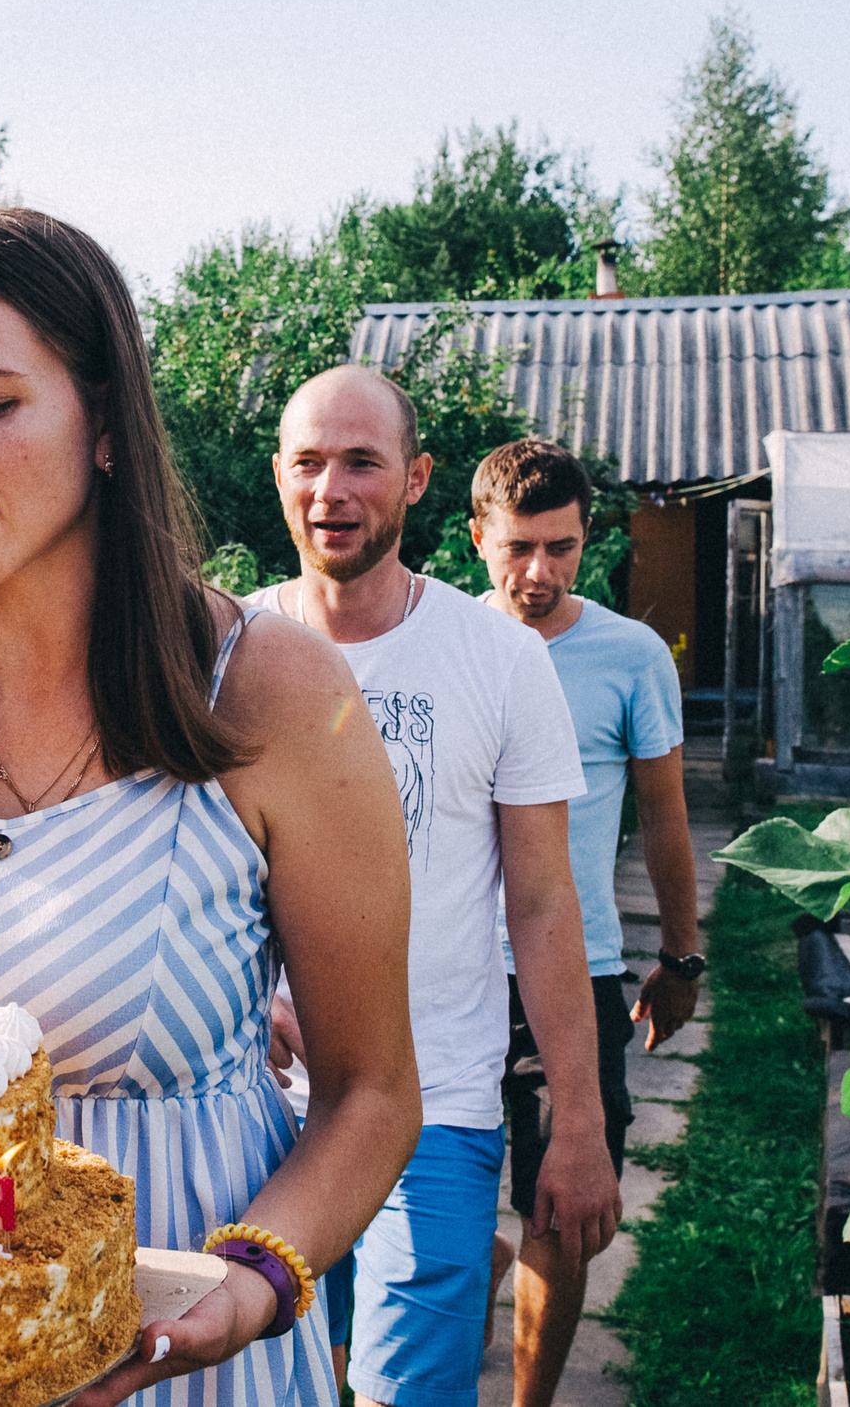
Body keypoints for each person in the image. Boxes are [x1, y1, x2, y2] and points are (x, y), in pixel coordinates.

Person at [0, 207, 424, 1407]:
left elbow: (372, 1092)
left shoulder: (271, 695)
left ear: (103, 420)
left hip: (184, 1367)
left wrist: (254, 1280)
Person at [255, 366, 620, 1407]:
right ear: (278, 476)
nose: (333, 488)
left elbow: (544, 904)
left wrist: (580, 1125)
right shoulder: (224, 653)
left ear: (414, 480)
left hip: (435, 1107)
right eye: (310, 462)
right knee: (264, 1383)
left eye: (362, 462)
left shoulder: (496, 659)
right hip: (250, 1110)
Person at [468, 438, 701, 1407]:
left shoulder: (629, 657)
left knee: (564, 1212)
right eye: (519, 547)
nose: (539, 573)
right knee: (421, 1192)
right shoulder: (445, 643)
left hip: (574, 967)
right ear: (477, 536)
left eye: (561, 549)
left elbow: (663, 815)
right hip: (445, 972)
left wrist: (680, 956)